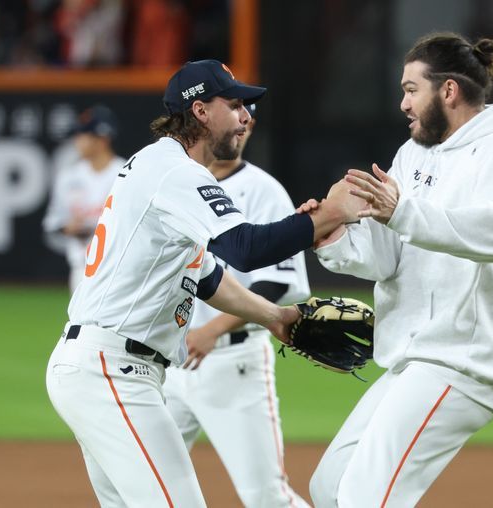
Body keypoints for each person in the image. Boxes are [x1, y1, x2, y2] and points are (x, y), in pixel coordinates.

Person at [45, 59, 364, 508]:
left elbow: (207, 274)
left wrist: (276, 317)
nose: (246, 117)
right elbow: (245, 249)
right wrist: (332, 213)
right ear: (200, 111)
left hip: (105, 366)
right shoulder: (175, 171)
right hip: (111, 369)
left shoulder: (160, 166)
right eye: (234, 105)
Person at [308, 32, 493, 507]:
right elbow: (388, 255)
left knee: (365, 497)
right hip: (416, 358)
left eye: (412, 89)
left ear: (448, 90)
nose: (403, 103)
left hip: (466, 360)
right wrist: (332, 239)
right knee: (330, 486)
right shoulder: (412, 154)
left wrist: (402, 212)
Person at [162, 103, 312, 508]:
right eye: (232, 113)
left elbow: (276, 283)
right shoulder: (178, 183)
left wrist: (212, 330)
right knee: (144, 486)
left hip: (234, 363)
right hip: (170, 363)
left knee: (266, 497)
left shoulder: (263, 191)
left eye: (246, 116)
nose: (240, 122)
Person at [43, 105, 125, 292]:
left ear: (102, 138)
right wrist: (67, 227)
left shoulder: (125, 172)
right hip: (81, 267)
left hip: (117, 266)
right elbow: (53, 221)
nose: (77, 141)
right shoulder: (69, 176)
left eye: (84, 135)